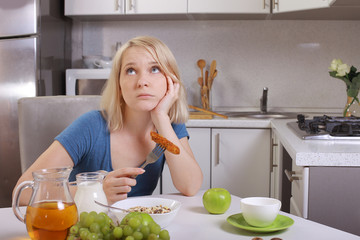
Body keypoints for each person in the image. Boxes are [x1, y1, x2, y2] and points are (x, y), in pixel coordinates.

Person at [14, 36, 203, 205]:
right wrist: (95, 192)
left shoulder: (169, 126)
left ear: (171, 81)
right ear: (119, 86)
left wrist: (161, 118)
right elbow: (24, 191)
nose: (142, 81)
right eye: (130, 71)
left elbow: (190, 186)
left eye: (155, 69)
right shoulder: (91, 126)